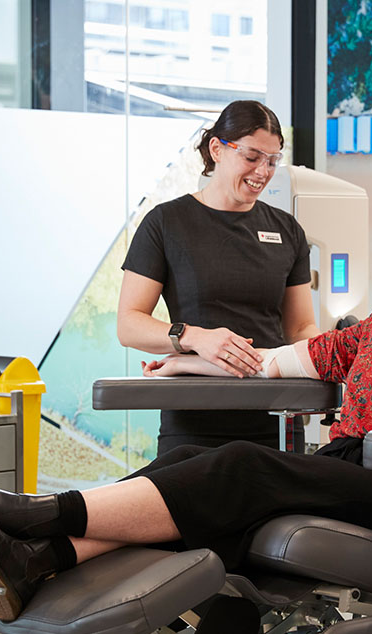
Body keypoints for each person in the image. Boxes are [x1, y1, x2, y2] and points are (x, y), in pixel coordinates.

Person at [0, 189, 372, 627]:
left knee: (243, 463)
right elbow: (275, 361)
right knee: (196, 458)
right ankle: (40, 556)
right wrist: (187, 360)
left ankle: (40, 514)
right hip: (351, 468)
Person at [118, 100, 318, 455]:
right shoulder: (166, 223)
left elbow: (301, 329)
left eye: (273, 160)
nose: (264, 171)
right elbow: (129, 325)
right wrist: (194, 338)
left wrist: (332, 356)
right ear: (217, 149)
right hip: (193, 422)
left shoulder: (287, 230)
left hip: (274, 420)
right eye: (253, 156)